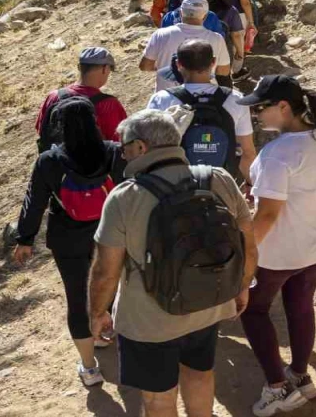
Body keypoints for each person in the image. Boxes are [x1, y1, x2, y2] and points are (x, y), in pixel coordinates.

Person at [87, 110, 258, 417]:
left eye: (124, 147)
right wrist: (241, 285)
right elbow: (247, 241)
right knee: (200, 375)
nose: (123, 155)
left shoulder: (124, 198)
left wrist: (98, 313)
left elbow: (104, 271)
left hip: (149, 321)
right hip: (208, 303)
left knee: (159, 399)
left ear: (140, 148)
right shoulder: (216, 177)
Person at [237, 76, 316, 416]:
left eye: (260, 108)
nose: (256, 115)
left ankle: (277, 387)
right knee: (301, 307)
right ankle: (300, 376)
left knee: (253, 311)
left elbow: (269, 214)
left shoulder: (278, 153)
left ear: (283, 107)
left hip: (278, 253)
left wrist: (245, 258)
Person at [13, 99, 127, 386]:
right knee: (110, 282)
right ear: (94, 121)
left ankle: (89, 368)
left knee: (77, 299)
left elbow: (34, 200)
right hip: (111, 233)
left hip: (68, 238)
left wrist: (25, 239)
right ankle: (106, 329)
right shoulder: (115, 153)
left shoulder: (49, 161)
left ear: (59, 127)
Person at [146, 40, 256, 180]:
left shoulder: (162, 99)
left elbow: (150, 149)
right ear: (213, 62)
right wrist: (250, 184)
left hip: (176, 185)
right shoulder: (235, 99)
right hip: (221, 182)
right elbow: (248, 152)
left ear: (178, 64)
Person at [35, 47, 127, 145]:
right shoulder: (108, 104)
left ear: (79, 67)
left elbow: (41, 130)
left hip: (59, 159)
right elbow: (121, 141)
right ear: (105, 69)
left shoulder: (53, 96)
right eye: (110, 69)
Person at [140, 0, 232, 92]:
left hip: (168, 97)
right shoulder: (217, 38)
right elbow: (223, 71)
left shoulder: (161, 34)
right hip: (203, 97)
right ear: (205, 16)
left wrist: (164, 67)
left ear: (181, 12)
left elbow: (145, 66)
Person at [204, 0, 246, 74]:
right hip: (224, 50)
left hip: (201, 48)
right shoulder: (230, 10)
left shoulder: (201, 8)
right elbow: (236, 35)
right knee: (222, 79)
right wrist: (240, 52)